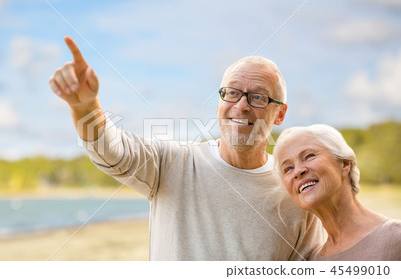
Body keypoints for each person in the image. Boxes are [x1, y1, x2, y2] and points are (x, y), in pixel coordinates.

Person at [48, 36, 323, 260]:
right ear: (219, 102)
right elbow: (111, 149)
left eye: (259, 97)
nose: (241, 105)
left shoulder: (297, 190)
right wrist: (84, 106)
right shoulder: (172, 163)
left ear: (280, 114)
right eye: (232, 93)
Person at [273, 124, 401, 260]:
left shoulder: (395, 237)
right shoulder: (311, 261)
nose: (298, 171)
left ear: (345, 164)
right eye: (288, 168)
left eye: (309, 156)